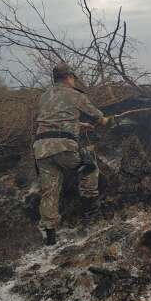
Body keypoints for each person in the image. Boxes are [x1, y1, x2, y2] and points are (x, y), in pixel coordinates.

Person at [33, 62, 110, 246]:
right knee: (89, 167)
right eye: (73, 78)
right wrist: (104, 119)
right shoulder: (75, 95)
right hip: (64, 147)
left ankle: (50, 235)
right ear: (69, 77)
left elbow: (54, 120)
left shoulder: (44, 96)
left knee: (49, 191)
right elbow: (95, 114)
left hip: (41, 148)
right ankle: (89, 208)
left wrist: (79, 125)